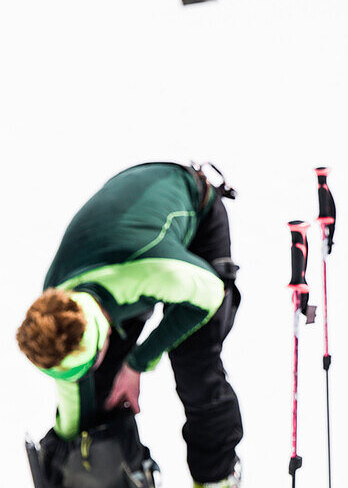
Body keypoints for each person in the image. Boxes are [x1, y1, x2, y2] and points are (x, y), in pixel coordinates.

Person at [17, 162, 243, 488]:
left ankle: (217, 477)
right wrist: (69, 450)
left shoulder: (149, 270)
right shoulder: (55, 312)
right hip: (122, 242)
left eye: (87, 361)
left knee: (194, 365)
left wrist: (138, 361)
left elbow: (208, 293)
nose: (79, 372)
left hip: (192, 214)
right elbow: (75, 397)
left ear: (102, 334)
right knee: (99, 388)